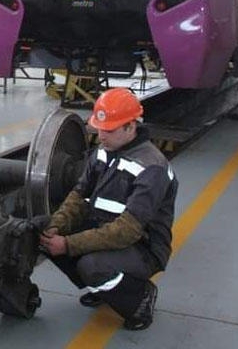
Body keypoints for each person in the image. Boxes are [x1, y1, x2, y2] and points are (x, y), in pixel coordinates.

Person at [38, 87, 178, 331]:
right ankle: (105, 288)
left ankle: (139, 297)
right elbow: (79, 196)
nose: (101, 136)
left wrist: (69, 243)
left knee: (90, 266)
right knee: (45, 235)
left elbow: (127, 231)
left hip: (144, 247)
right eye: (99, 129)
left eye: (109, 130)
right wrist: (55, 227)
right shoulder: (104, 152)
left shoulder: (151, 167)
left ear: (130, 127)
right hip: (106, 228)